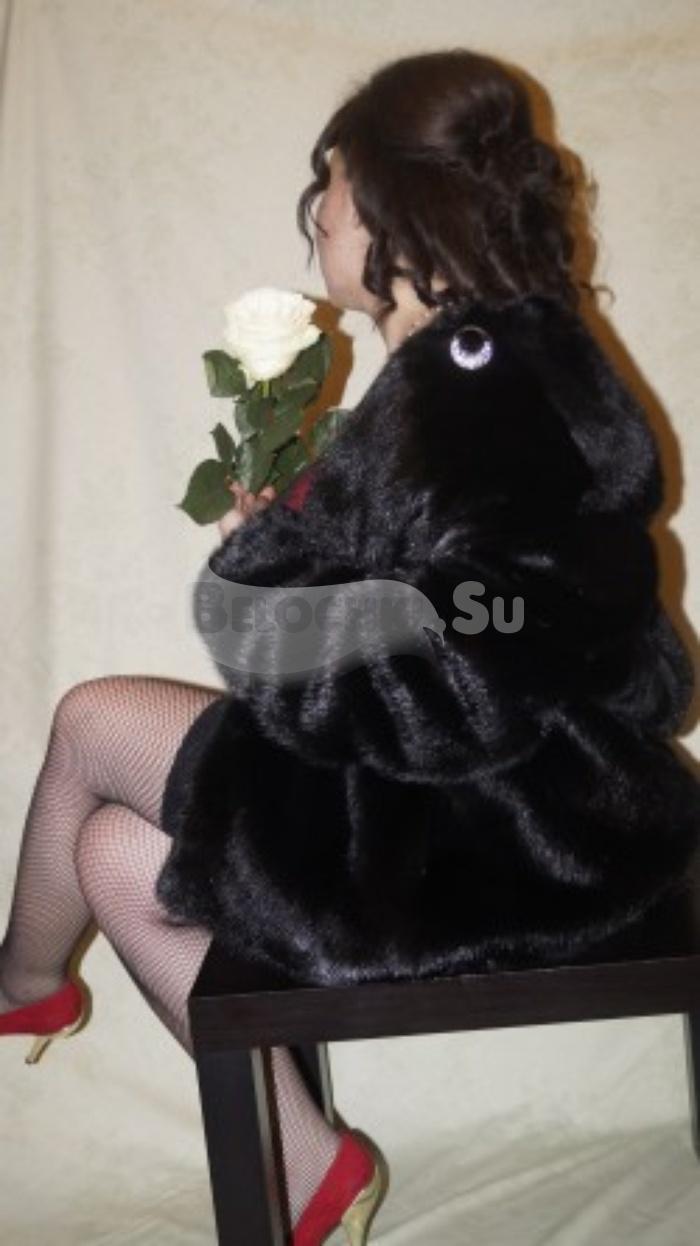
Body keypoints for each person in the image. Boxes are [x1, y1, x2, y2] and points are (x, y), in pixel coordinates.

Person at [2, 47, 697, 1246]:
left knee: (92, 719)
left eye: (328, 183)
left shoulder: (472, 381)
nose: (316, 212)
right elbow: (517, 607)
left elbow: (471, 656)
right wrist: (298, 543)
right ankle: (314, 1162)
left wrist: (271, 585)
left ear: (387, 208)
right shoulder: (494, 361)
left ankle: (19, 984)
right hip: (533, 804)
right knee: (112, 851)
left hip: (489, 836)